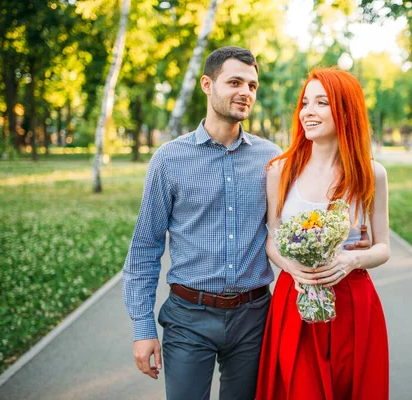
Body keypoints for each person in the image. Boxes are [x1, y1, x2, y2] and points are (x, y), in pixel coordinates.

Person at [123, 46, 373, 400]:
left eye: (252, 85)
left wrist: (351, 243)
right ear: (207, 84)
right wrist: (142, 328)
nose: (246, 92)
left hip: (255, 318)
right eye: (235, 82)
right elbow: (145, 246)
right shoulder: (169, 159)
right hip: (188, 317)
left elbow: (300, 216)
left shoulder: (273, 160)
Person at [256, 68, 390, 400]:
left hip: (353, 304)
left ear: (345, 111)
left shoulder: (371, 174)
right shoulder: (280, 170)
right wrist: (291, 267)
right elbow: (272, 239)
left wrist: (352, 258)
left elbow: (383, 246)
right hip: (295, 300)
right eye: (305, 103)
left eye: (321, 102)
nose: (307, 112)